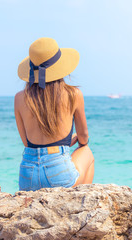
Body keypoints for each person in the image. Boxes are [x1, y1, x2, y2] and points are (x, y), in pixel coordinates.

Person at [14, 37, 94, 191]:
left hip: (27, 176)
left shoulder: (19, 98)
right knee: (86, 152)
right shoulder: (73, 94)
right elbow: (83, 137)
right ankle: (82, 201)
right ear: (60, 67)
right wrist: (63, 144)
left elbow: (27, 142)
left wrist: (58, 142)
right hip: (59, 174)